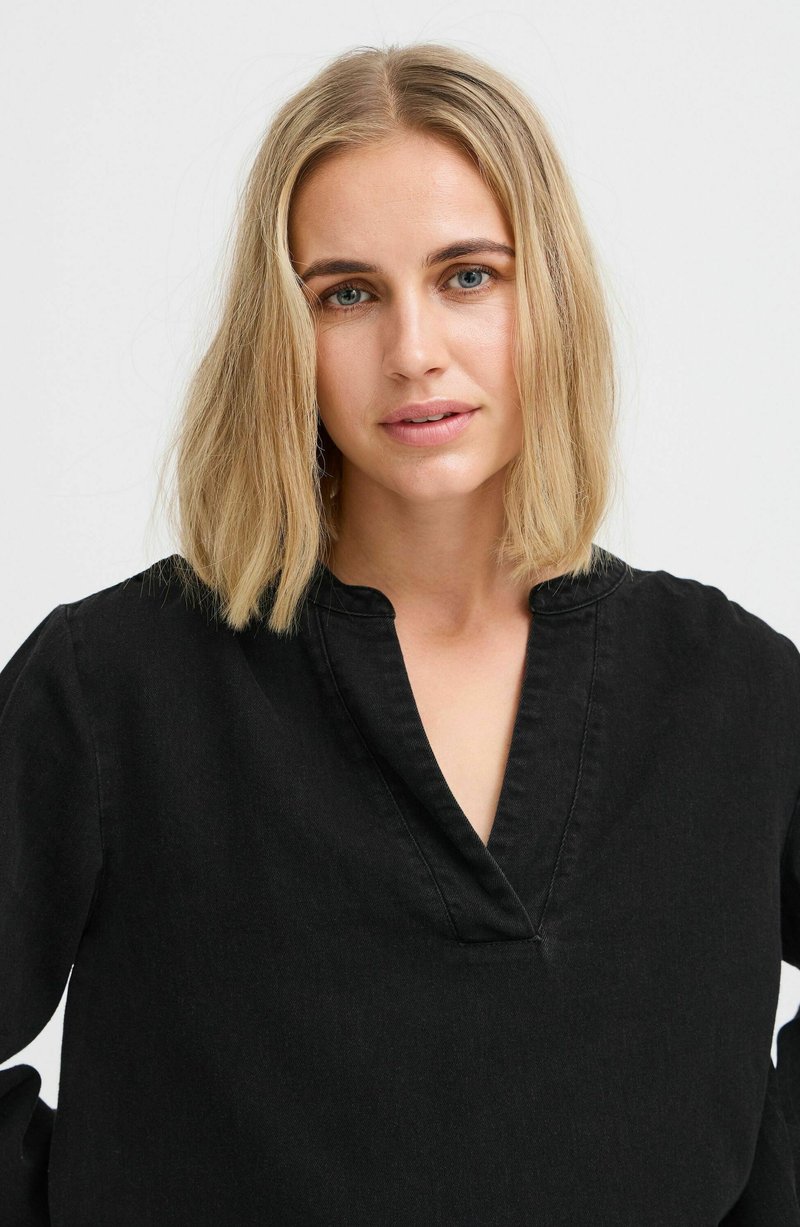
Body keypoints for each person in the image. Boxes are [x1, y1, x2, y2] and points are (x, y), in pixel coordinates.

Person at [1, 40, 799, 1227]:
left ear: (549, 294)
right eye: (347, 293)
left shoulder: (734, 693)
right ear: (283, 332)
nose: (413, 349)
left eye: (467, 276)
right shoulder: (110, 689)